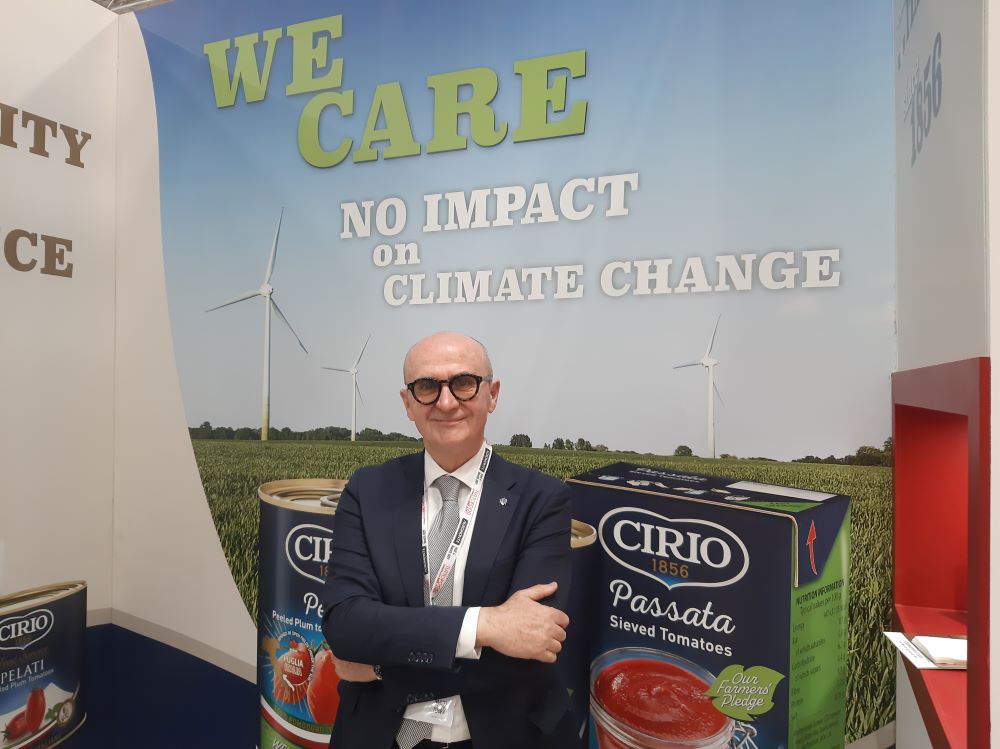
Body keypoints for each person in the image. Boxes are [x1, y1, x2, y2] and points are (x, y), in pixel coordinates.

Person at [321, 331, 575, 749]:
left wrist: (382, 668)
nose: (445, 402)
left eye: (463, 383)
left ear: (492, 394)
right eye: (427, 386)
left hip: (504, 736)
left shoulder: (542, 499)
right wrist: (486, 625)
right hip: (380, 736)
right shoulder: (368, 491)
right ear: (408, 403)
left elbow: (533, 646)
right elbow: (347, 625)